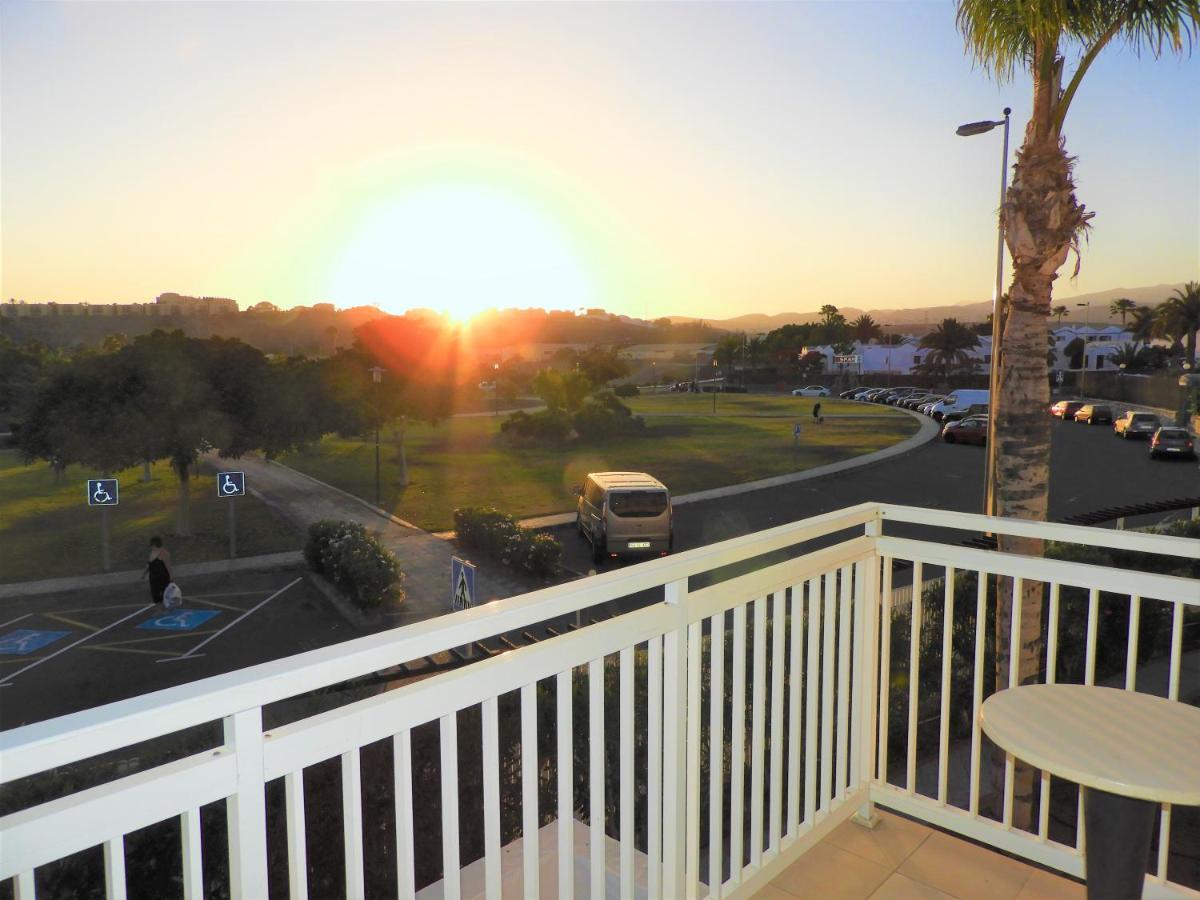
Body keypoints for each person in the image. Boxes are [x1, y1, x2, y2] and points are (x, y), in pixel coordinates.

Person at [145, 536, 172, 606]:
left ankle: (167, 608)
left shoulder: (164, 553)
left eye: (151, 545)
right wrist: (143, 574)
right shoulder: (152, 553)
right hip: (153, 577)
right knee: (155, 594)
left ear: (154, 544)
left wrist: (171, 577)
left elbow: (168, 565)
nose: (151, 547)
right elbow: (149, 565)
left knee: (165, 593)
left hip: (163, 576)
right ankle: (159, 610)